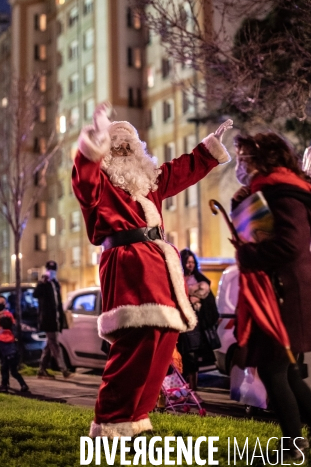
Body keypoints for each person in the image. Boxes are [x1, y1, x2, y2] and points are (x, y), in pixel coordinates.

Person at [72, 102, 232, 438]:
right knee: (135, 344)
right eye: (116, 144)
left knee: (162, 342)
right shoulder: (100, 184)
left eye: (129, 142)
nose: (124, 147)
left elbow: (180, 170)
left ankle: (138, 420)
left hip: (159, 267)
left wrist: (209, 148)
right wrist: (94, 138)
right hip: (128, 265)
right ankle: (112, 423)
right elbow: (84, 174)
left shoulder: (148, 182)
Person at [231, 132, 311, 461]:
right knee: (288, 371)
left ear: (264, 158)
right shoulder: (285, 188)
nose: (241, 164)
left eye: (245, 157)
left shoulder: (281, 192)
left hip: (283, 293)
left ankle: (295, 446)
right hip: (286, 290)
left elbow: (289, 245)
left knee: (274, 370)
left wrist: (249, 255)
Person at [177, 249, 219, 391]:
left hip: (194, 326)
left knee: (192, 357)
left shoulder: (201, 281)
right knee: (180, 356)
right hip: (179, 324)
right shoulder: (177, 279)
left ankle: (192, 389)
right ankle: (181, 388)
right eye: (188, 262)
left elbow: (209, 305)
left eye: (193, 262)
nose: (191, 265)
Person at [33, 260, 70, 379]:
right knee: (54, 343)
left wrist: (61, 319)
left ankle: (41, 370)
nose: (52, 272)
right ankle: (64, 369)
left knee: (49, 345)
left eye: (54, 270)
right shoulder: (44, 283)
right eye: (50, 270)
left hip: (56, 319)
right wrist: (42, 282)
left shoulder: (55, 283)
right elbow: (36, 294)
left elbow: (58, 303)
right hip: (47, 320)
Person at [0, 315, 29, 393]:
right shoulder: (10, 333)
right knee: (14, 372)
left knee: (4, 370)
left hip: (6, 356)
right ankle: (23, 384)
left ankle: (4, 385)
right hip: (15, 355)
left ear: (0, 326)